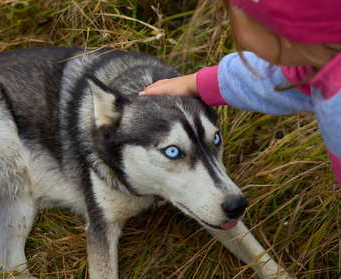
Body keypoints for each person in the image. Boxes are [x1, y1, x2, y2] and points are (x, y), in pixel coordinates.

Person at [139, 0, 341, 187]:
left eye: (235, 17)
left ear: (281, 33)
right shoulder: (318, 57)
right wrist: (196, 83)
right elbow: (273, 76)